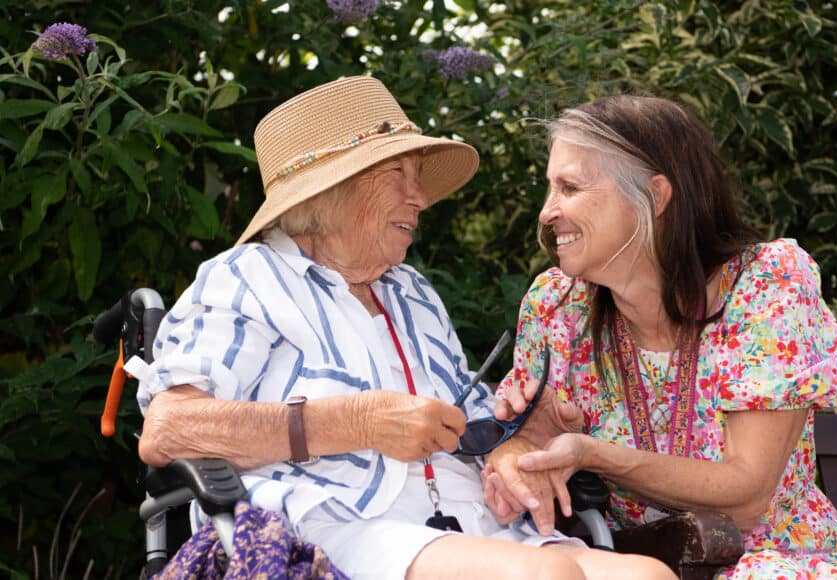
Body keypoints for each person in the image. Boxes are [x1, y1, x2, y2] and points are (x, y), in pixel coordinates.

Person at [123, 76, 674, 580]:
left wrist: (515, 441)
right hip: (336, 525)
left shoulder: (412, 292)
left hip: (472, 522)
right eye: (398, 176)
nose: (420, 198)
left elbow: (467, 419)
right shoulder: (247, 276)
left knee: (648, 576)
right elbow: (169, 429)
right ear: (328, 190)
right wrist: (354, 422)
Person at [481, 95, 837, 578]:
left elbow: (748, 495)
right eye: (549, 188)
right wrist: (521, 452)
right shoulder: (556, 307)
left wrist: (594, 453)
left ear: (655, 196)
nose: (546, 212)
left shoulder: (765, 286)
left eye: (570, 187)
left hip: (790, 563)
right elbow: (516, 444)